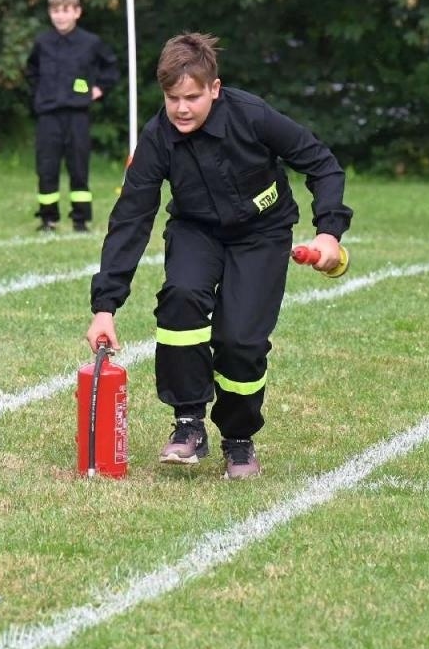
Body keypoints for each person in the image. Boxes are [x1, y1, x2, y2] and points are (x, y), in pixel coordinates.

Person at [84, 33, 350, 480]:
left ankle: (239, 440)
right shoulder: (157, 138)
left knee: (240, 341)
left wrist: (328, 232)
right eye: (173, 98)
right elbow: (131, 218)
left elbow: (322, 163)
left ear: (215, 88)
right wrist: (104, 307)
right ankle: (188, 423)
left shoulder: (253, 115)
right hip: (196, 231)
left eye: (192, 97)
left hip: (263, 234)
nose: (182, 108)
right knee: (182, 296)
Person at [24, 0, 119, 232]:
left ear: (77, 12)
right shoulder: (42, 42)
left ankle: (80, 220)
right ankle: (48, 218)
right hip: (48, 115)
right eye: (55, 10)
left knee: (78, 167)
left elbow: (111, 67)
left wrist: (99, 89)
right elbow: (31, 71)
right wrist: (41, 93)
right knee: (47, 167)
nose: (60, 16)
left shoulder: (90, 42)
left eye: (65, 10)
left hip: (77, 115)